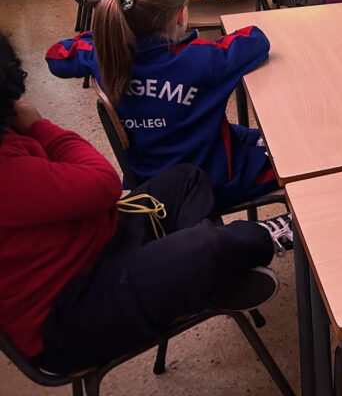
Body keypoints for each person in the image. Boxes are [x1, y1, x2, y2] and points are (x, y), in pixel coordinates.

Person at [0, 30, 290, 375]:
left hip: (97, 243)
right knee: (210, 244)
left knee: (187, 178)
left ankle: (206, 276)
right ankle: (259, 241)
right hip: (70, 315)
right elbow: (103, 182)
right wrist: (39, 127)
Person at [45, 0, 280, 208]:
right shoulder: (204, 58)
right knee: (294, 160)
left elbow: (56, 56)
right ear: (181, 16)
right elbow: (256, 40)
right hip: (211, 184)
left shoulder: (102, 55)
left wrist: (105, 35)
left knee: (245, 135)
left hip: (147, 181)